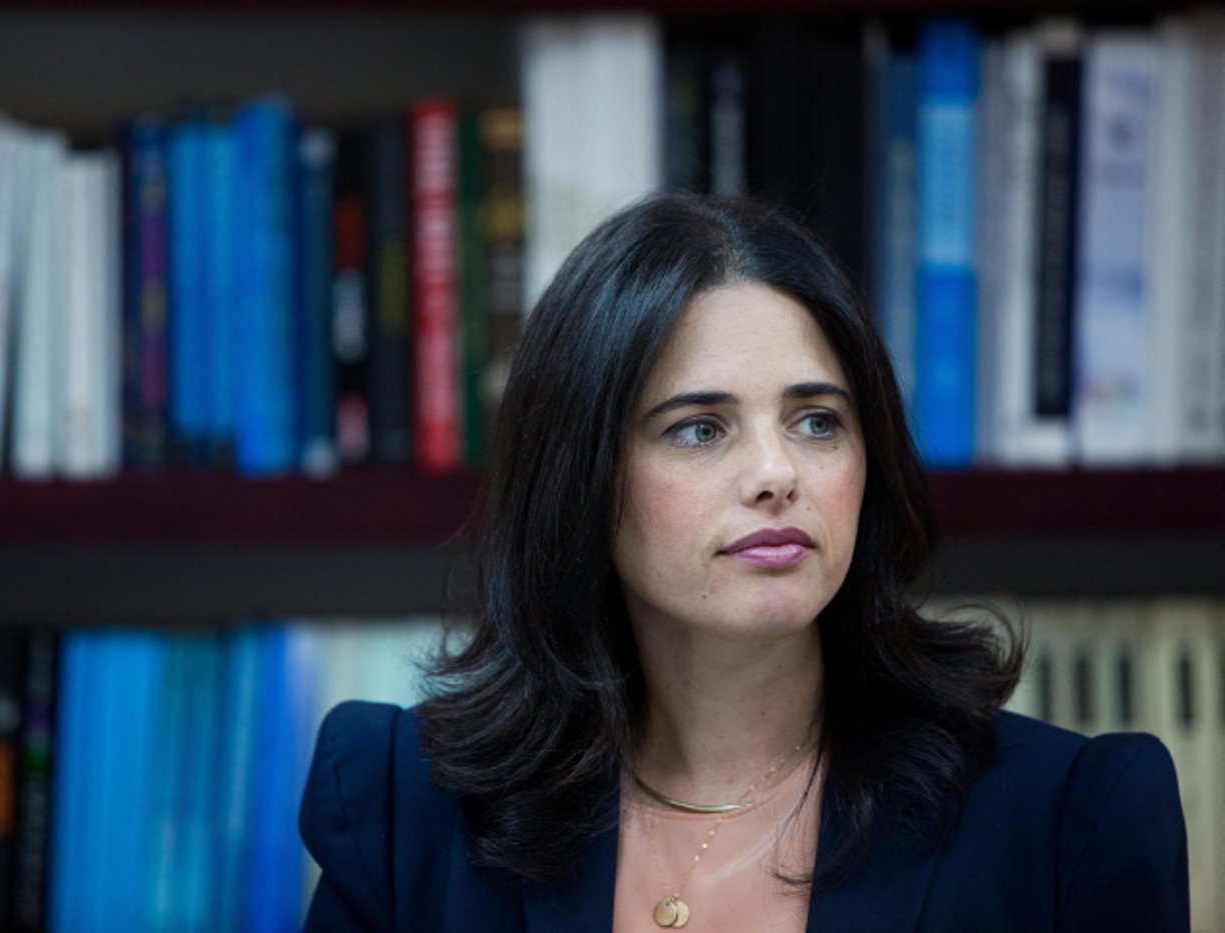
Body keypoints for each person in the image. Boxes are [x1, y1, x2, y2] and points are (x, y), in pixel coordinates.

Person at [298, 194, 1188, 932]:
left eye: (817, 421)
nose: (776, 473)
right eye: (699, 428)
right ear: (582, 479)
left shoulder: (1070, 821)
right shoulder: (403, 809)